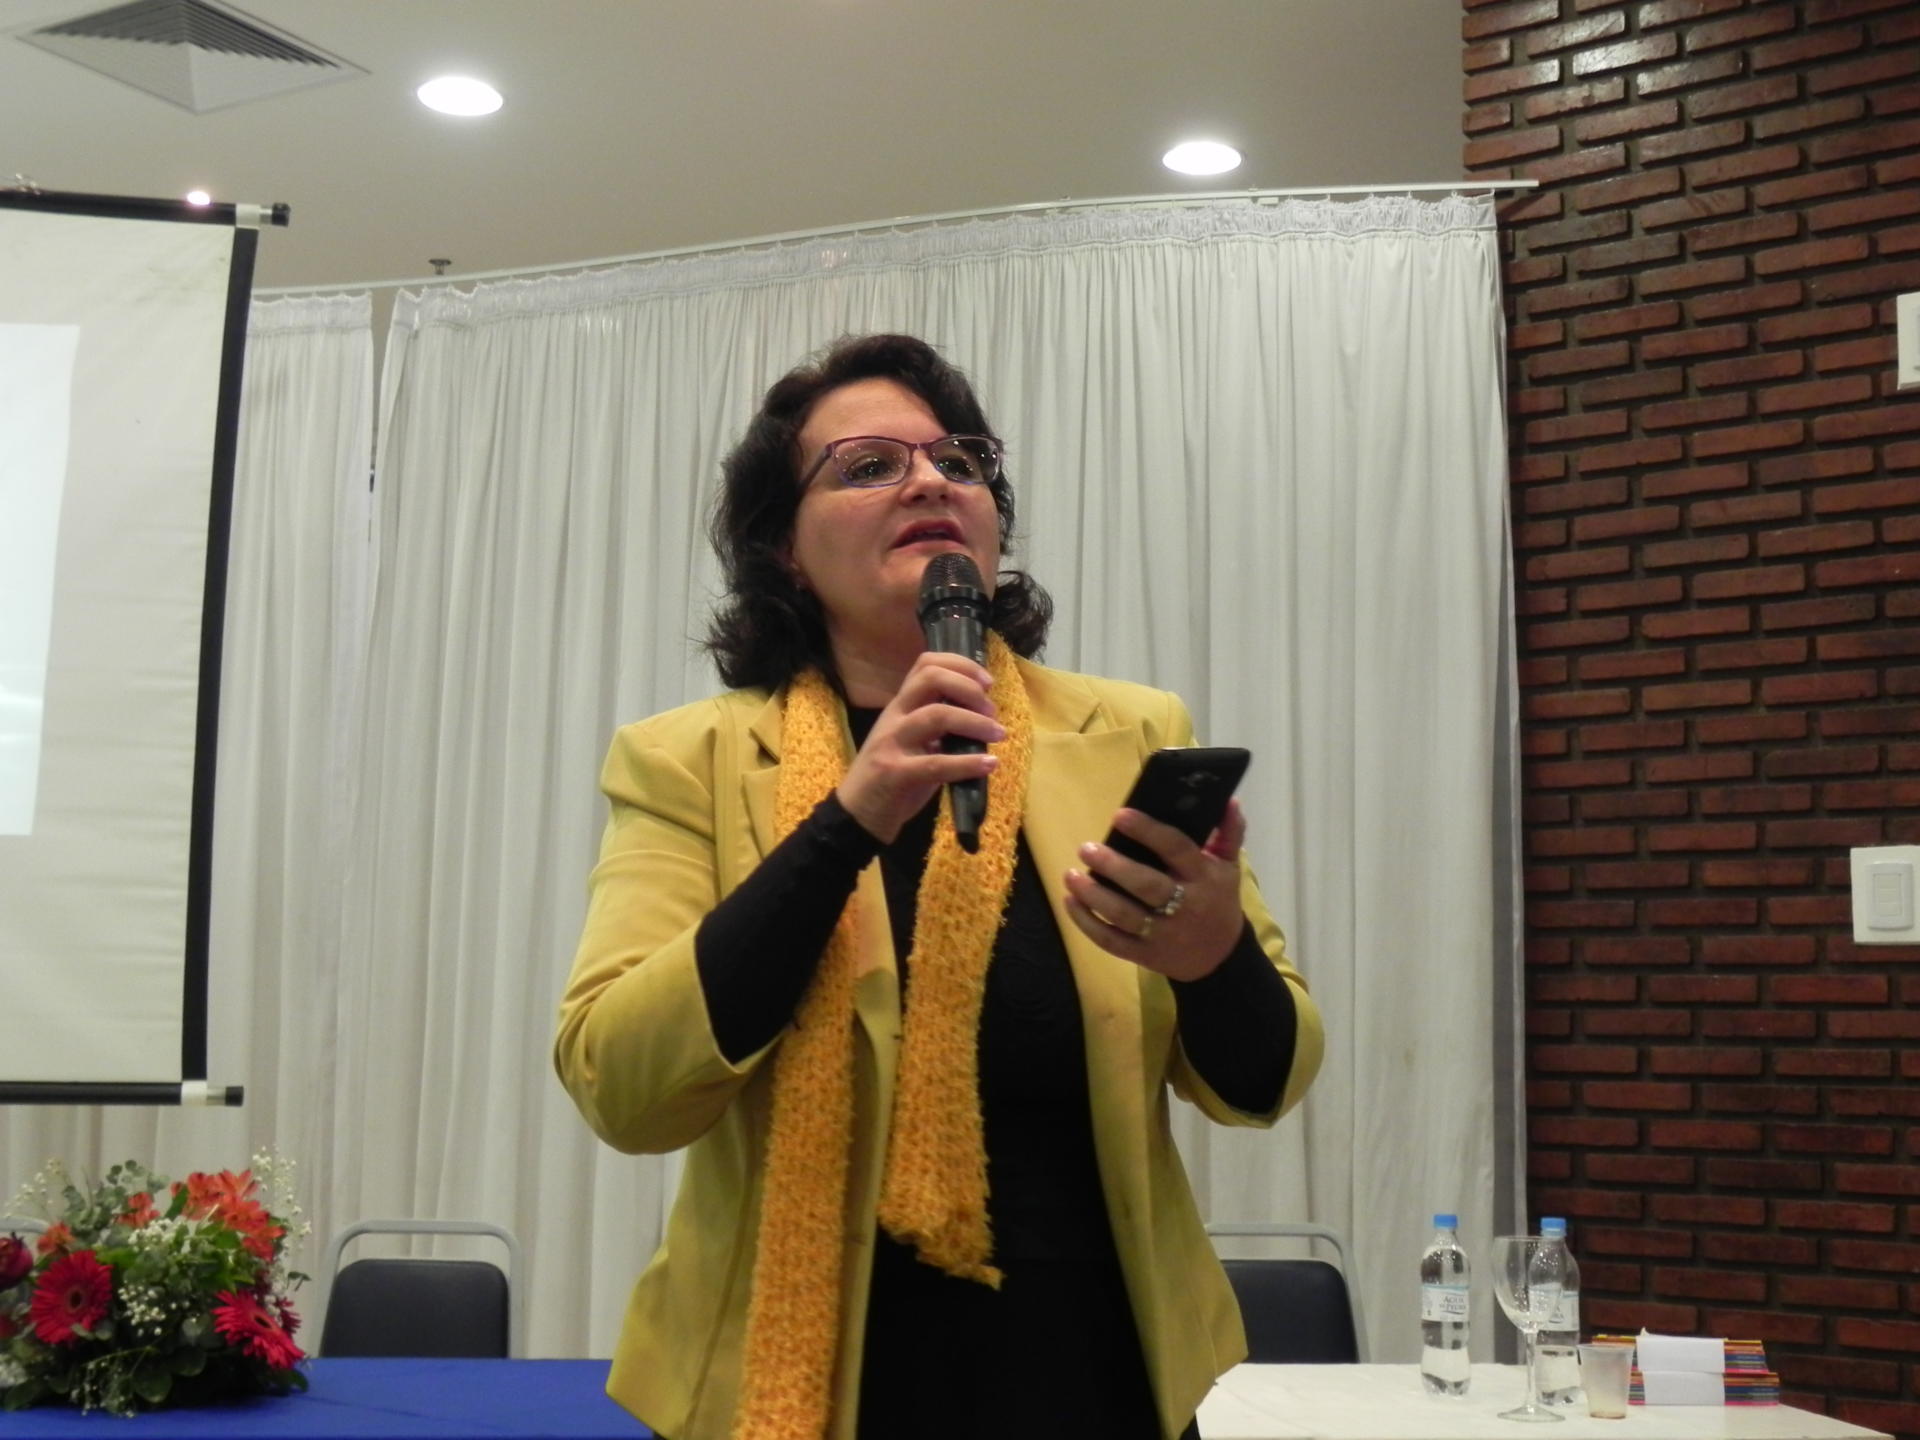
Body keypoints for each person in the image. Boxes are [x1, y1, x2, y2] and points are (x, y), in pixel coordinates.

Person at [554, 334, 1323, 1440]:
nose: (929, 481)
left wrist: (1215, 962)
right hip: (813, 1386)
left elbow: (1265, 1082)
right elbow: (621, 1084)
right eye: (869, 466)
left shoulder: (1128, 733)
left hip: (1096, 1375)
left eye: (958, 461)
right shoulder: (689, 761)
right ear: (782, 548)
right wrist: (847, 823)